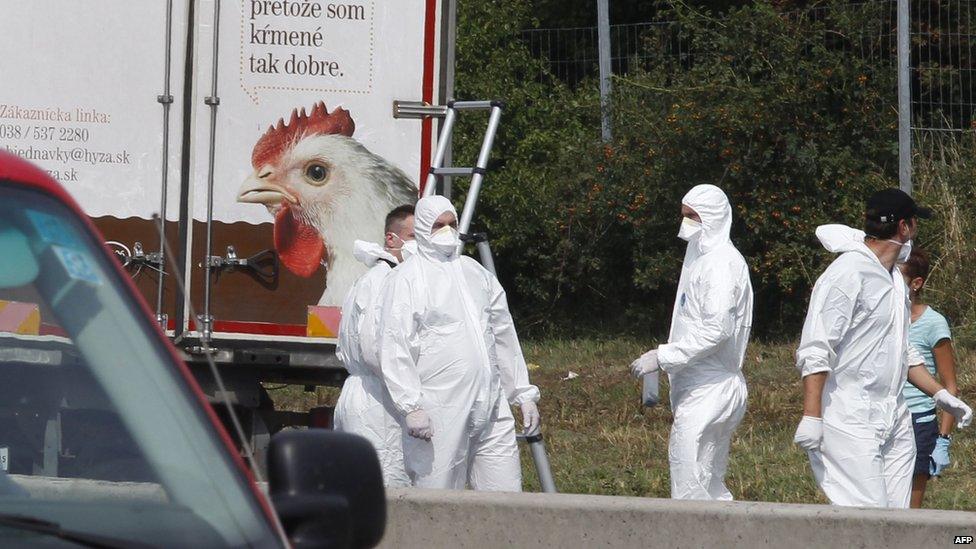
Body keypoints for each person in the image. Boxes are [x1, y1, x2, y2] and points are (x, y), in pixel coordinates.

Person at [793, 188, 972, 508]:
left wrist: (941, 395)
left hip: (894, 414)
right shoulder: (847, 274)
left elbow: (902, 352)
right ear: (904, 227)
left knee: (898, 516)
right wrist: (812, 415)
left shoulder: (894, 282)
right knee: (867, 518)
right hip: (850, 415)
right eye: (915, 223)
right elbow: (817, 348)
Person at [377, 195, 541, 491]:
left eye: (452, 224)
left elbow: (503, 334)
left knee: (504, 495)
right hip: (439, 408)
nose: (447, 231)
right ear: (424, 227)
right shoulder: (407, 278)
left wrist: (521, 392)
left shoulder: (475, 273)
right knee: (438, 497)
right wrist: (410, 405)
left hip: (491, 403)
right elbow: (394, 344)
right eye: (438, 225)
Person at [629, 184, 753, 500]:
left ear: (713, 217)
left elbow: (717, 329)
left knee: (690, 480)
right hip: (699, 385)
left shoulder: (721, 264)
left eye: (693, 216)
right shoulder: (700, 255)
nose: (686, 223)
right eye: (684, 215)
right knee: (704, 480)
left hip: (711, 389)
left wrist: (664, 356)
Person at [334, 205, 415, 487]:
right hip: (377, 399)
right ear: (391, 239)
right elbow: (375, 349)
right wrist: (411, 400)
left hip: (376, 394)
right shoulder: (383, 281)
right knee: (383, 487)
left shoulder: (384, 277)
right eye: (413, 236)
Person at [899, 248, 960, 508]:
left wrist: (943, 441)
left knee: (908, 512)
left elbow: (950, 386)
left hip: (918, 424)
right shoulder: (884, 318)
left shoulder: (933, 323)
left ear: (916, 283)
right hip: (885, 416)